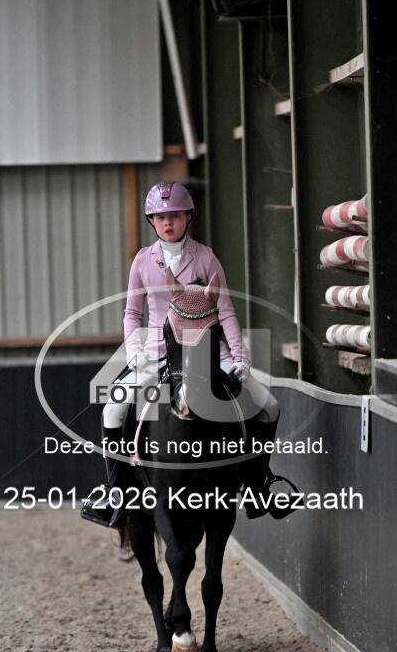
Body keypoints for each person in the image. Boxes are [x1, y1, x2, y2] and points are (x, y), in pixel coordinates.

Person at [82, 181, 280, 529]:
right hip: (159, 354)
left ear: (188, 217)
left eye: (174, 216)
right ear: (152, 221)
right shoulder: (143, 261)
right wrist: (135, 352)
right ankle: (115, 491)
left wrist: (239, 358)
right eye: (160, 217)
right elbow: (132, 314)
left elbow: (226, 311)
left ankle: (259, 482)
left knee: (269, 406)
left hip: (209, 353)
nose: (167, 223)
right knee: (113, 409)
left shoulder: (205, 258)